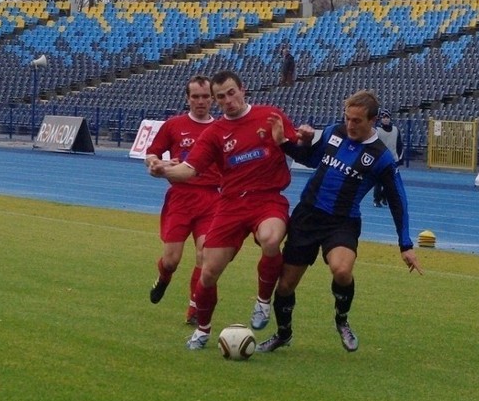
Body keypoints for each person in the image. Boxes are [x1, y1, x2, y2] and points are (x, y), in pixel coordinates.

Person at [153, 70, 310, 350]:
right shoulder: (214, 133)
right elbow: (190, 169)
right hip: (230, 204)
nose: (227, 100)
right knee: (209, 273)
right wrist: (162, 170)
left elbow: (298, 148)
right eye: (221, 96)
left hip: (267, 199)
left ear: (242, 90)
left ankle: (263, 301)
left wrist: (304, 139)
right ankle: (202, 330)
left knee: (272, 239)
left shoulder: (270, 115)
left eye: (231, 92)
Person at [257, 90, 423, 353]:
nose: (350, 125)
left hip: (342, 223)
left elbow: (397, 200)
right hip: (308, 216)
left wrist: (405, 244)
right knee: (286, 284)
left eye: (357, 120)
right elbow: (311, 159)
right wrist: (285, 144)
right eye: (347, 118)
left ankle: (341, 320)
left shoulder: (381, 158)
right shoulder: (335, 132)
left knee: (342, 270)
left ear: (374, 120)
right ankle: (283, 333)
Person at [145, 75, 220, 325]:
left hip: (211, 199)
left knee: (205, 255)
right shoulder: (174, 125)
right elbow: (152, 154)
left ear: (212, 99)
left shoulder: (220, 129)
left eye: (205, 97)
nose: (200, 101)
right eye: (195, 97)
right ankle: (164, 277)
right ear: (187, 98)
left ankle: (195, 308)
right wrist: (158, 163)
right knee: (172, 260)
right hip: (180, 198)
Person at [372, 108, 403, 208]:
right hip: (380, 160)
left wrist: (399, 158)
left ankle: (384, 196)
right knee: (379, 182)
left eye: (387, 117)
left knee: (391, 182)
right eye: (383, 117)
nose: (385, 119)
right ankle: (377, 200)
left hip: (393, 159)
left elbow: (399, 145)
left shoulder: (395, 130)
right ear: (380, 119)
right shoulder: (377, 130)